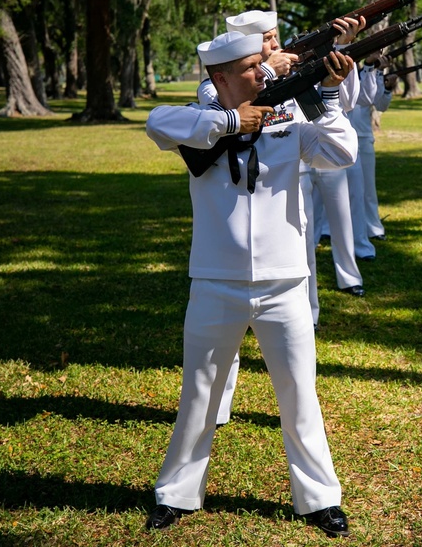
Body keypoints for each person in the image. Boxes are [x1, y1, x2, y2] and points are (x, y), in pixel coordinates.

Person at [144, 30, 357, 538]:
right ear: (218, 78)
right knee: (198, 396)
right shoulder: (201, 123)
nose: (263, 70)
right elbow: (156, 123)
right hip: (215, 281)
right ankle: (176, 494)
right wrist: (232, 121)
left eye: (262, 63)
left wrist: (327, 97)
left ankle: (319, 499)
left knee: (299, 394)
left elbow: (341, 153)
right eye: (249, 67)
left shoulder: (288, 121)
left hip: (286, 283)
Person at [197, 10, 363, 427]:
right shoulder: (222, 82)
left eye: (274, 37)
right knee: (221, 324)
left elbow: (340, 105)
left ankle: (299, 399)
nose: (273, 45)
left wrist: (340, 53)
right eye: (264, 41)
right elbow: (214, 108)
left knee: (298, 289)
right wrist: (268, 73)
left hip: (293, 182)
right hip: (234, 213)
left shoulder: (291, 72)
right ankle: (217, 404)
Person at [346, 54, 395, 257]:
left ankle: (373, 227)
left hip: (363, 138)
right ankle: (325, 229)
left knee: (367, 189)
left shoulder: (368, 74)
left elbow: (379, 103)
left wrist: (387, 87)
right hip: (338, 142)